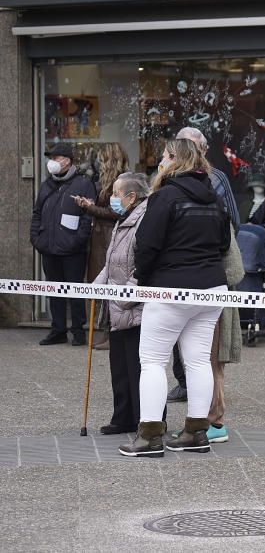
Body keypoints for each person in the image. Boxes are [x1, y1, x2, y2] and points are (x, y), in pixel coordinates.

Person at [119, 139, 231, 458]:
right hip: (211, 288)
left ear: (174, 160)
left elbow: (147, 244)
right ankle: (196, 432)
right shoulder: (214, 198)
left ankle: (150, 435)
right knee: (198, 361)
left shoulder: (164, 196)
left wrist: (141, 279)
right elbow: (224, 244)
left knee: (153, 361)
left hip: (170, 288)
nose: (160, 163)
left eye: (164, 157)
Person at [169, 126, 240, 404]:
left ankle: (209, 410)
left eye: (191, 147)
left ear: (203, 150)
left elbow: (232, 222)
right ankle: (184, 382)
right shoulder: (167, 181)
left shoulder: (217, 179)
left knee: (206, 347)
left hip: (208, 270)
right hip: (179, 273)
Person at [92, 173, 150, 435]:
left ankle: (143, 419)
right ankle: (123, 417)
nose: (113, 198)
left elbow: (144, 264)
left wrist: (128, 296)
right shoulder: (124, 218)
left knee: (137, 366)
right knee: (120, 366)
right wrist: (97, 285)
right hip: (116, 305)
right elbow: (111, 259)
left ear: (131, 197)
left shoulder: (144, 220)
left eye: (116, 193)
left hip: (134, 306)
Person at [31, 143, 96, 347]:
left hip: (73, 250)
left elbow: (88, 217)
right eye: (51, 158)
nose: (52, 162)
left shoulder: (83, 184)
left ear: (67, 161)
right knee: (54, 290)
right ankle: (58, 330)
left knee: (74, 291)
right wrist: (36, 238)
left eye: (56, 158)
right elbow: (37, 213)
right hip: (48, 248)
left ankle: (78, 331)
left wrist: (77, 241)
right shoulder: (46, 185)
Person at [73, 143, 131, 351]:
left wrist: (91, 208)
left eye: (101, 158)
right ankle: (106, 330)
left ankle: (111, 333)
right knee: (101, 285)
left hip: (108, 238)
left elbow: (117, 212)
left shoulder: (122, 181)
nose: (97, 162)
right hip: (100, 238)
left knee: (110, 285)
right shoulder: (104, 182)